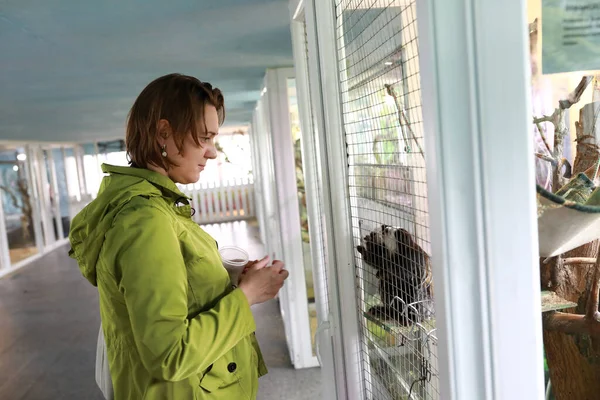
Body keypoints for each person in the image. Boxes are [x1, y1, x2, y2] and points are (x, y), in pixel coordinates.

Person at [69, 73, 289, 399]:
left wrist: (227, 280)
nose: (212, 152)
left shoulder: (154, 207)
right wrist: (248, 297)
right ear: (164, 133)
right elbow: (170, 354)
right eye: (205, 138)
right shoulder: (145, 221)